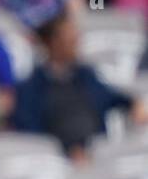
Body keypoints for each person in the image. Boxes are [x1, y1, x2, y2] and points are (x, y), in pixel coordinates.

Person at [12, 11, 144, 160]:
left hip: (96, 153)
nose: (75, 41)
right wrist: (68, 151)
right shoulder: (32, 87)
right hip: (55, 160)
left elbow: (111, 98)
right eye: (69, 37)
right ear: (52, 42)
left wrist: (134, 104)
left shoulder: (85, 75)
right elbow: (31, 130)